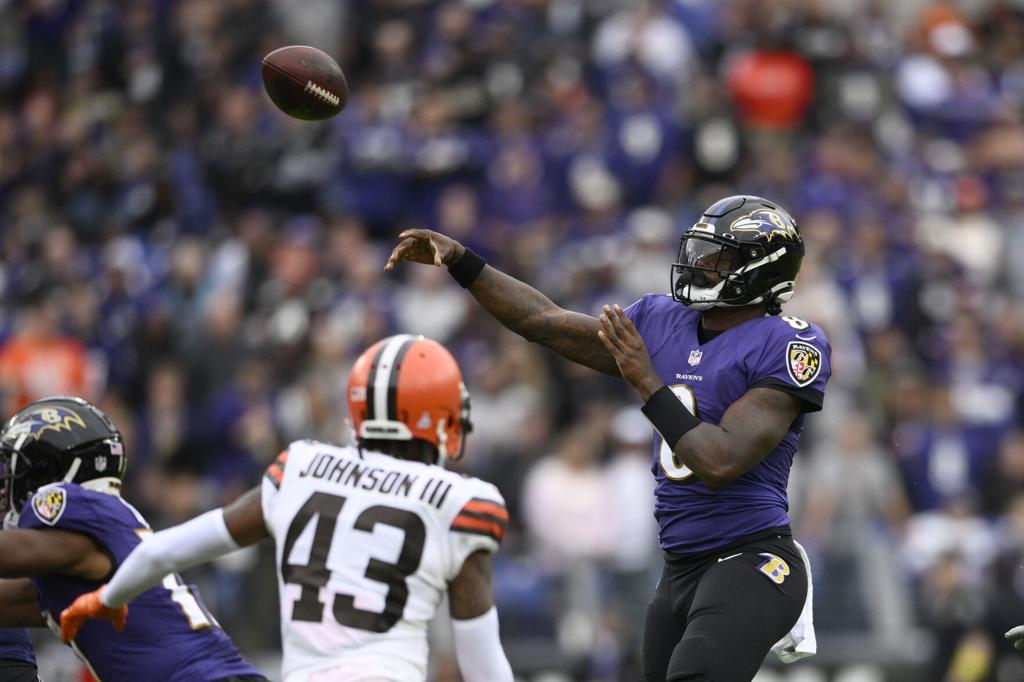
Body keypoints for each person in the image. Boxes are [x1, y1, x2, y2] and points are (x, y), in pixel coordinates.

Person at [384, 195, 832, 681]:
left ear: (759, 271)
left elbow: (720, 460)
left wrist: (645, 380)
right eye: (700, 252)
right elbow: (544, 322)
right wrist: (462, 261)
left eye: (718, 258)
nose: (699, 266)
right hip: (680, 568)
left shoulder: (788, 344)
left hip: (752, 558)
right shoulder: (663, 321)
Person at [61, 335, 515, 682]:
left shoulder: (302, 468)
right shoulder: (459, 502)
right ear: (440, 418)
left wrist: (105, 597)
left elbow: (164, 552)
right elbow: (481, 659)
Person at [0, 395, 266, 682]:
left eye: (15, 470)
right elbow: (11, 604)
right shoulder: (102, 533)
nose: (4, 488)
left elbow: (11, 554)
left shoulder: (72, 509)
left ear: (48, 471)